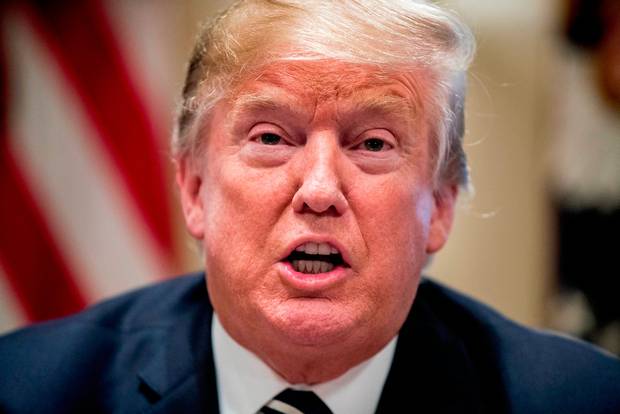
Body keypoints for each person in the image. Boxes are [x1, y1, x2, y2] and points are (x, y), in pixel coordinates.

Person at [1, 1, 619, 413]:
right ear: (194, 190)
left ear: (441, 204)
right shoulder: (28, 390)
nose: (320, 190)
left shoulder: (582, 401)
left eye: (373, 144)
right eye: (271, 138)